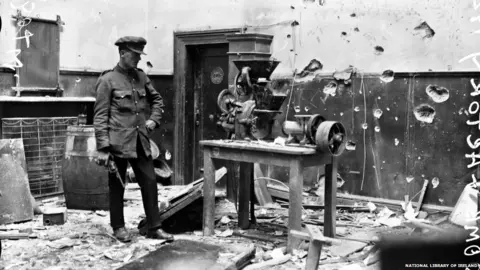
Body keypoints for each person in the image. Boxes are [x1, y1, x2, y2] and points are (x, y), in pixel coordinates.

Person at [93, 36, 173, 243]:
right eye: (135, 55)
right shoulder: (107, 80)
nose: (138, 59)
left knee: (150, 182)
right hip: (117, 142)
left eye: (140, 55)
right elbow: (100, 116)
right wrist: (103, 147)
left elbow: (157, 99)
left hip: (140, 140)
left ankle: (154, 227)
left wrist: (154, 120)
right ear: (123, 53)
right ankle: (118, 227)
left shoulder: (141, 77)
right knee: (117, 186)